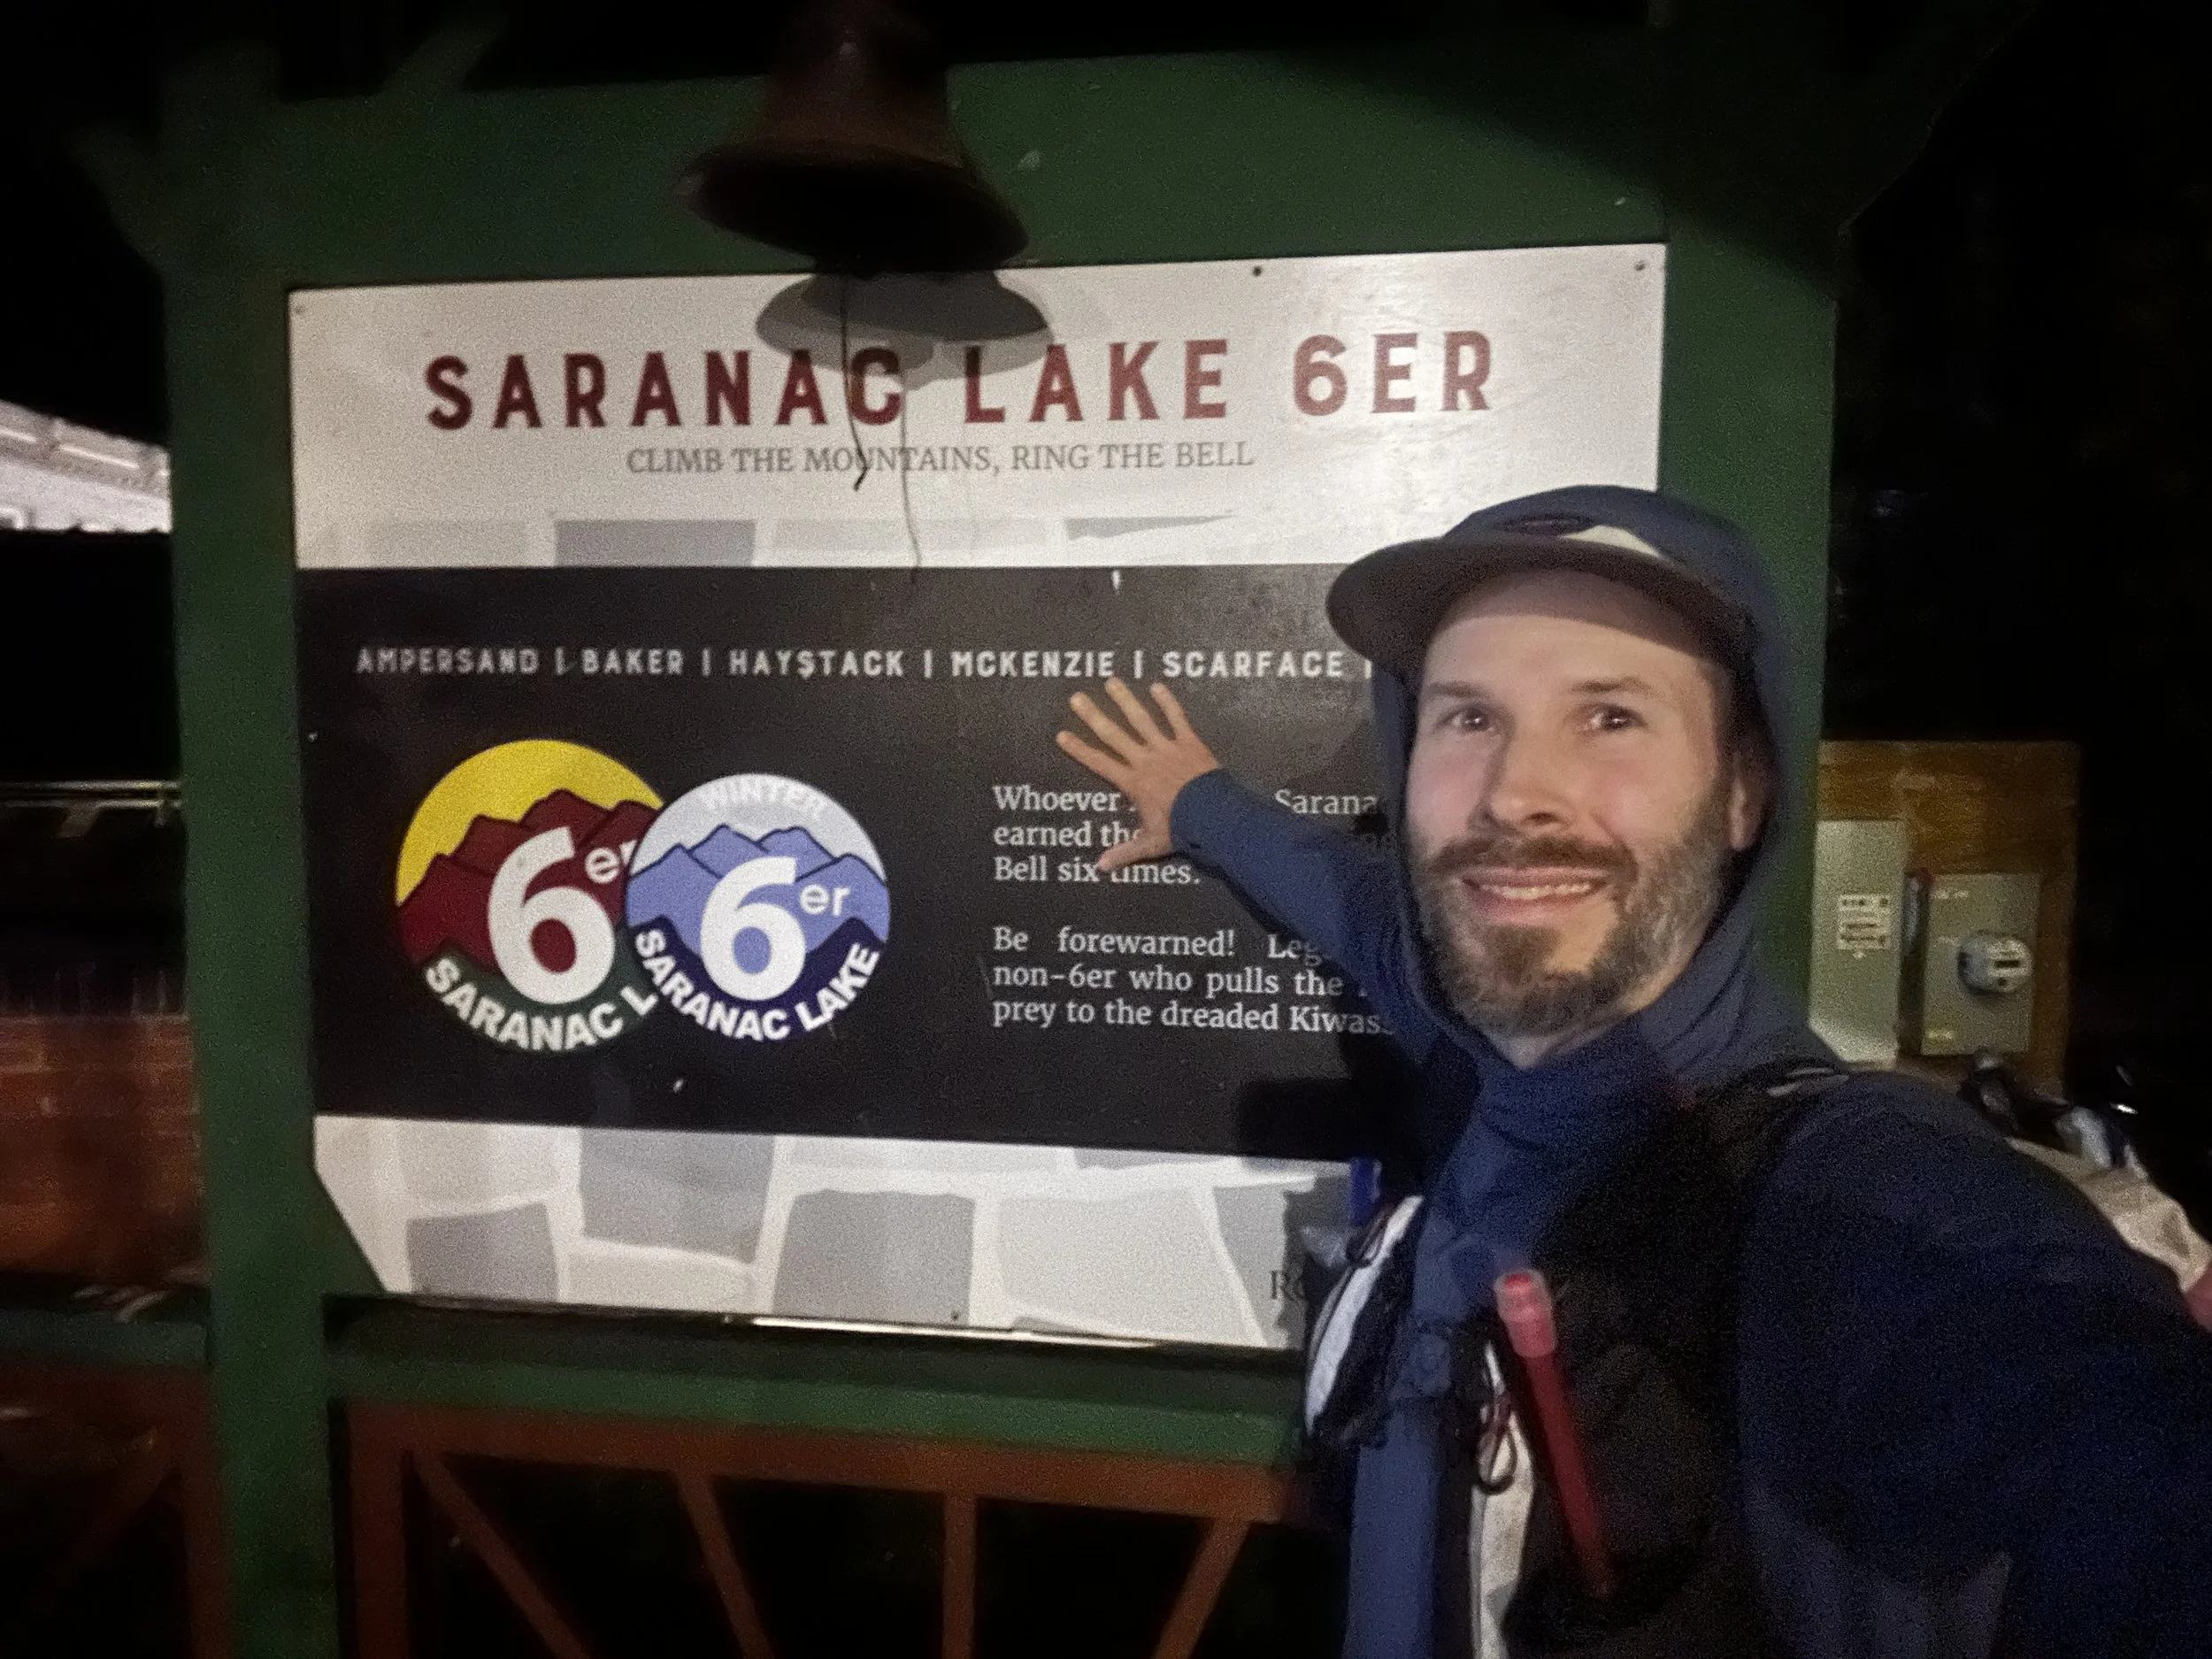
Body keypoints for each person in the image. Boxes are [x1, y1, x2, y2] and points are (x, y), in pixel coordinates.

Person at [1051, 486, 2212, 1659]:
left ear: (1745, 789)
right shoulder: (1470, 1027)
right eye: (1468, 717)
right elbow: (1355, 904)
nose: (1515, 792)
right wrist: (1200, 805)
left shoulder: (1846, 1203)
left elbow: (2103, 1471)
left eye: (1610, 717)